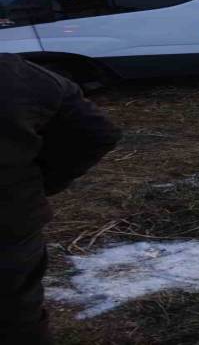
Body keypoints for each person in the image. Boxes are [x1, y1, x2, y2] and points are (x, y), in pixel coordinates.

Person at [0, 54, 121, 345]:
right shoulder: (15, 74)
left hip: (11, 224)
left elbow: (96, 133)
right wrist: (41, 183)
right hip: (10, 224)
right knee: (14, 320)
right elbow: (95, 132)